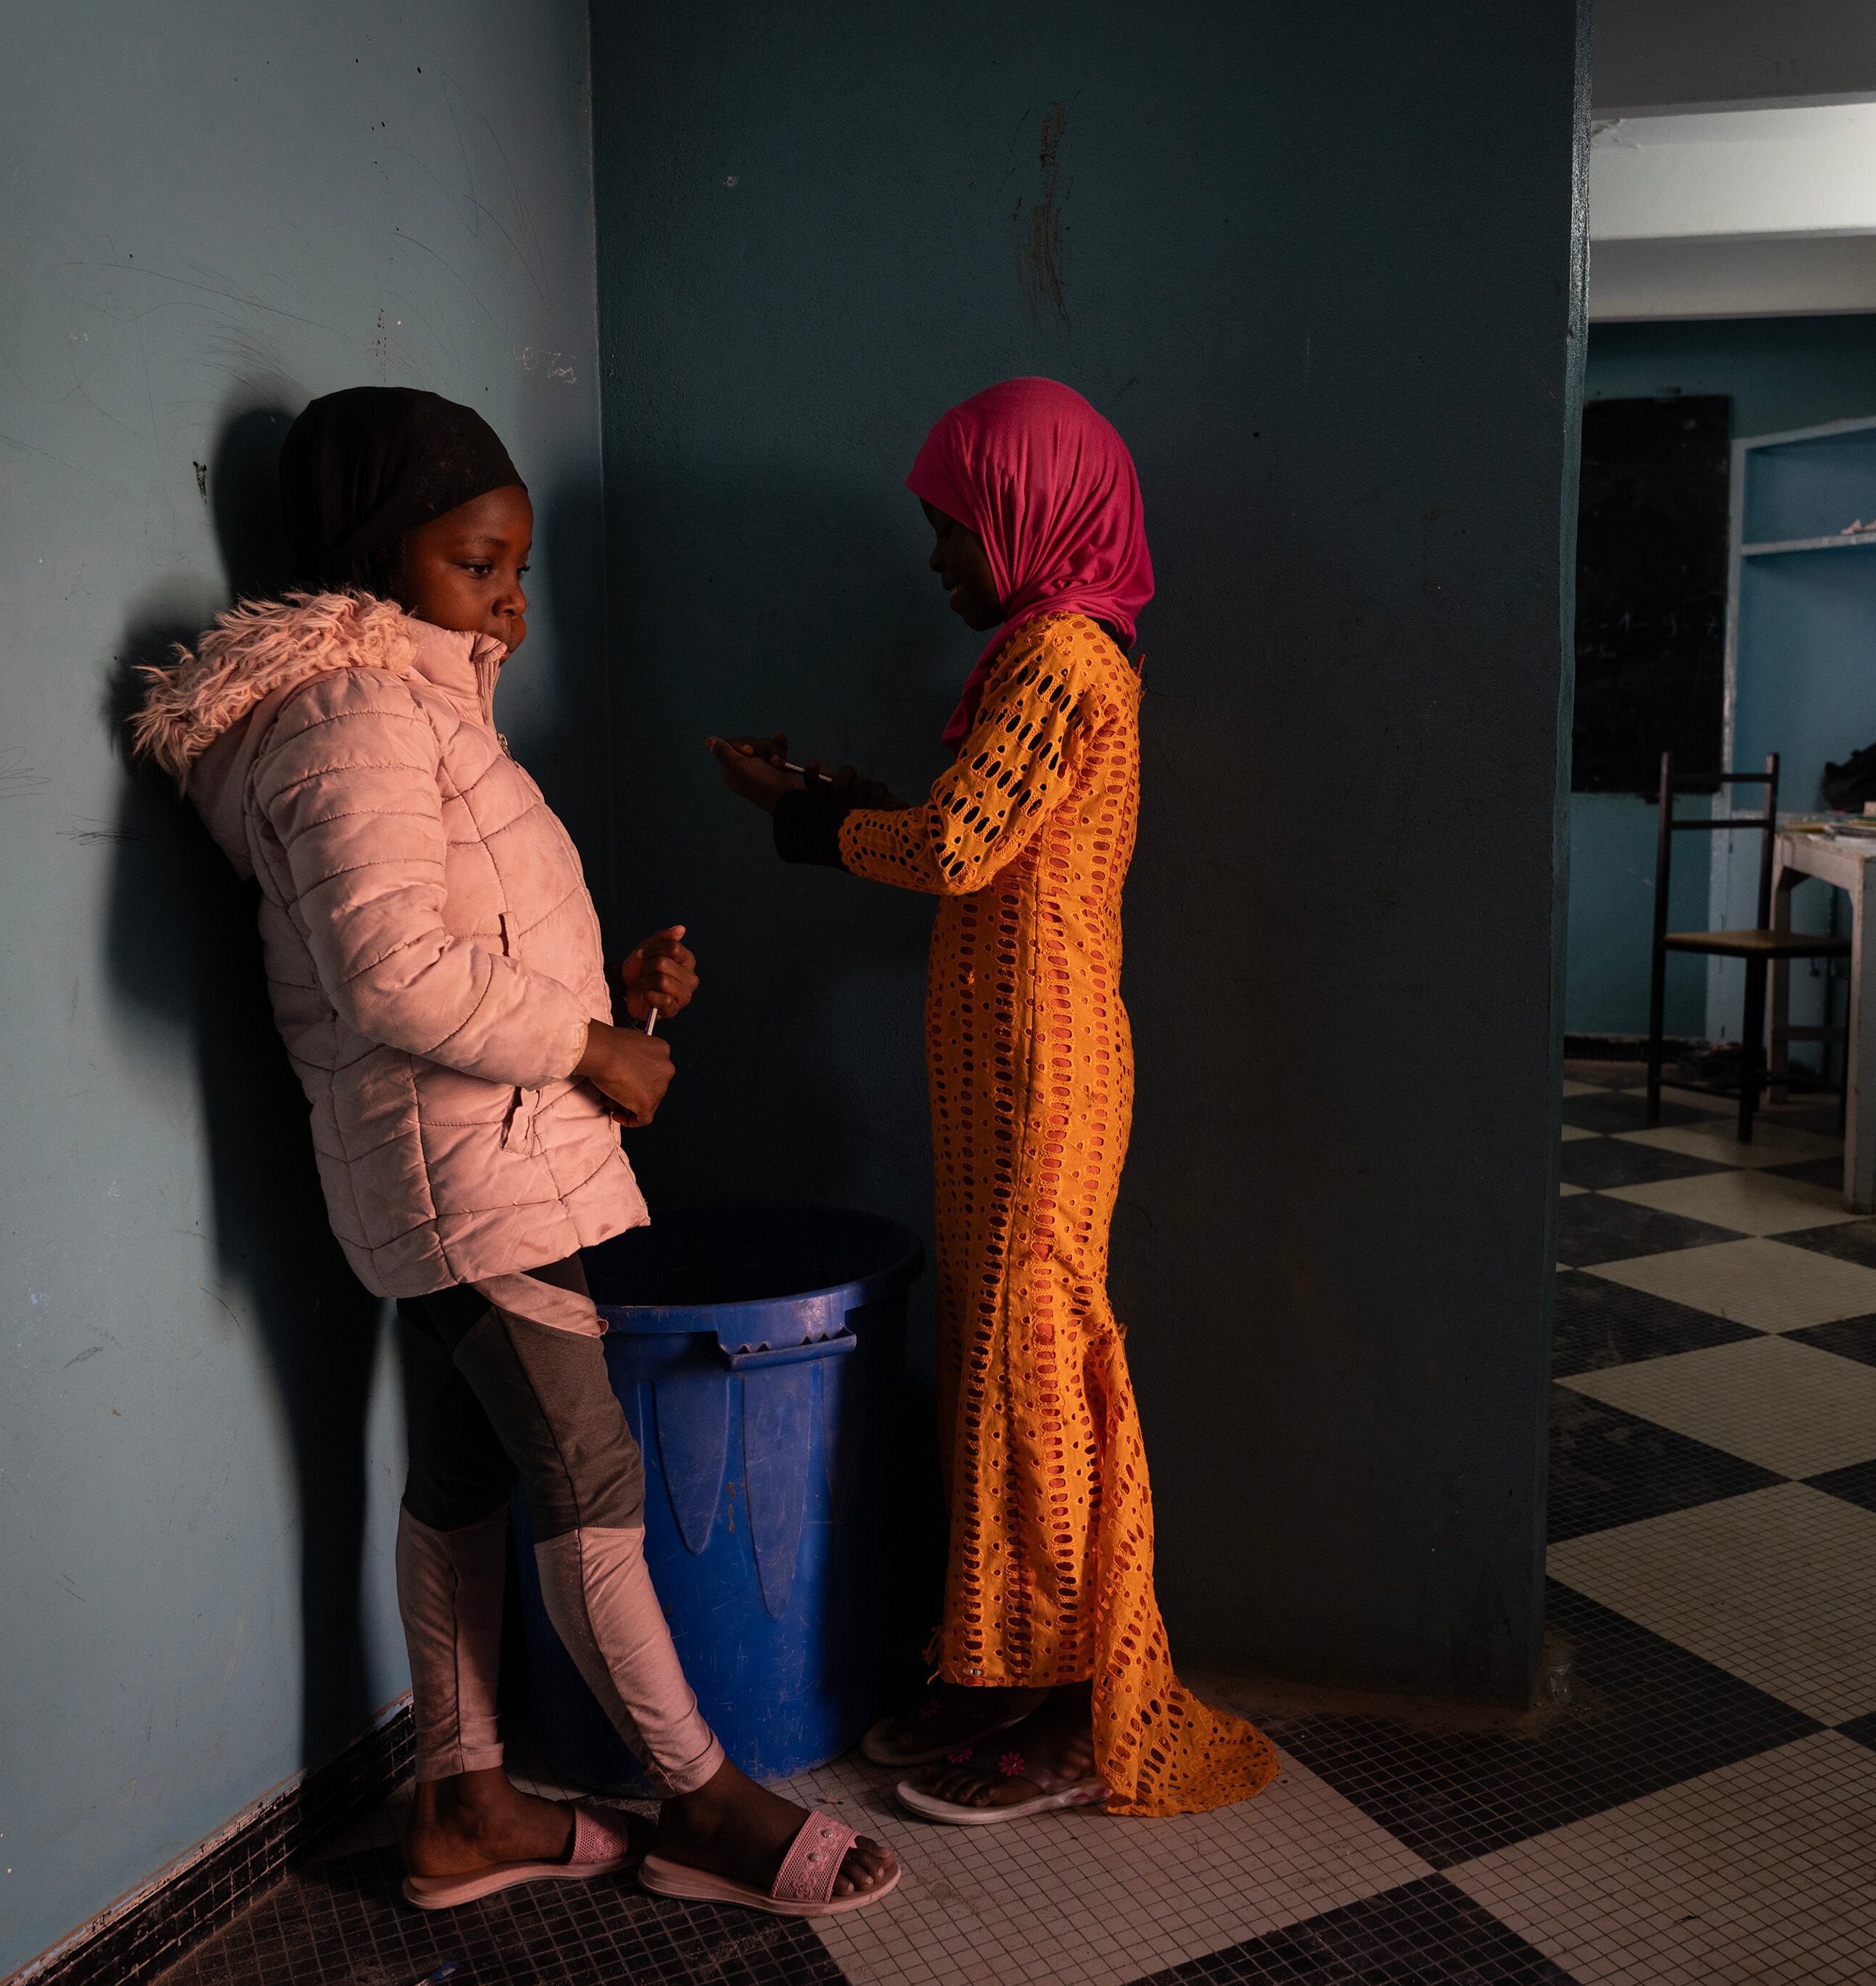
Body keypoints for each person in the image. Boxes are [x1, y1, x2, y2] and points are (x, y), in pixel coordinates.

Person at [131, 387, 901, 1917]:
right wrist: (592, 1050)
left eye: (518, 566)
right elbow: (394, 979)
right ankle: (705, 1801)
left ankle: (466, 1803)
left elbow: (444, 946)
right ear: (378, 552)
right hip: (466, 1178)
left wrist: (612, 997)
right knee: (586, 1475)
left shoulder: (414, 709)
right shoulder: (348, 718)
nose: (510, 598)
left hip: (479, 1157)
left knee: (464, 1476)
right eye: (478, 561)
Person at [707, 376, 1279, 1824]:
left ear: (1032, 517)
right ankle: (1007, 1662)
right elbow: (990, 832)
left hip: (1046, 1077)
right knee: (1004, 1370)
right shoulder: (1045, 659)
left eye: (956, 529)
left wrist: (801, 816)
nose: (941, 560)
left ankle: (1083, 1700)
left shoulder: (1064, 661)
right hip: (1016, 1076)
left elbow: (960, 845)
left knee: (1038, 1377)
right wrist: (838, 797)